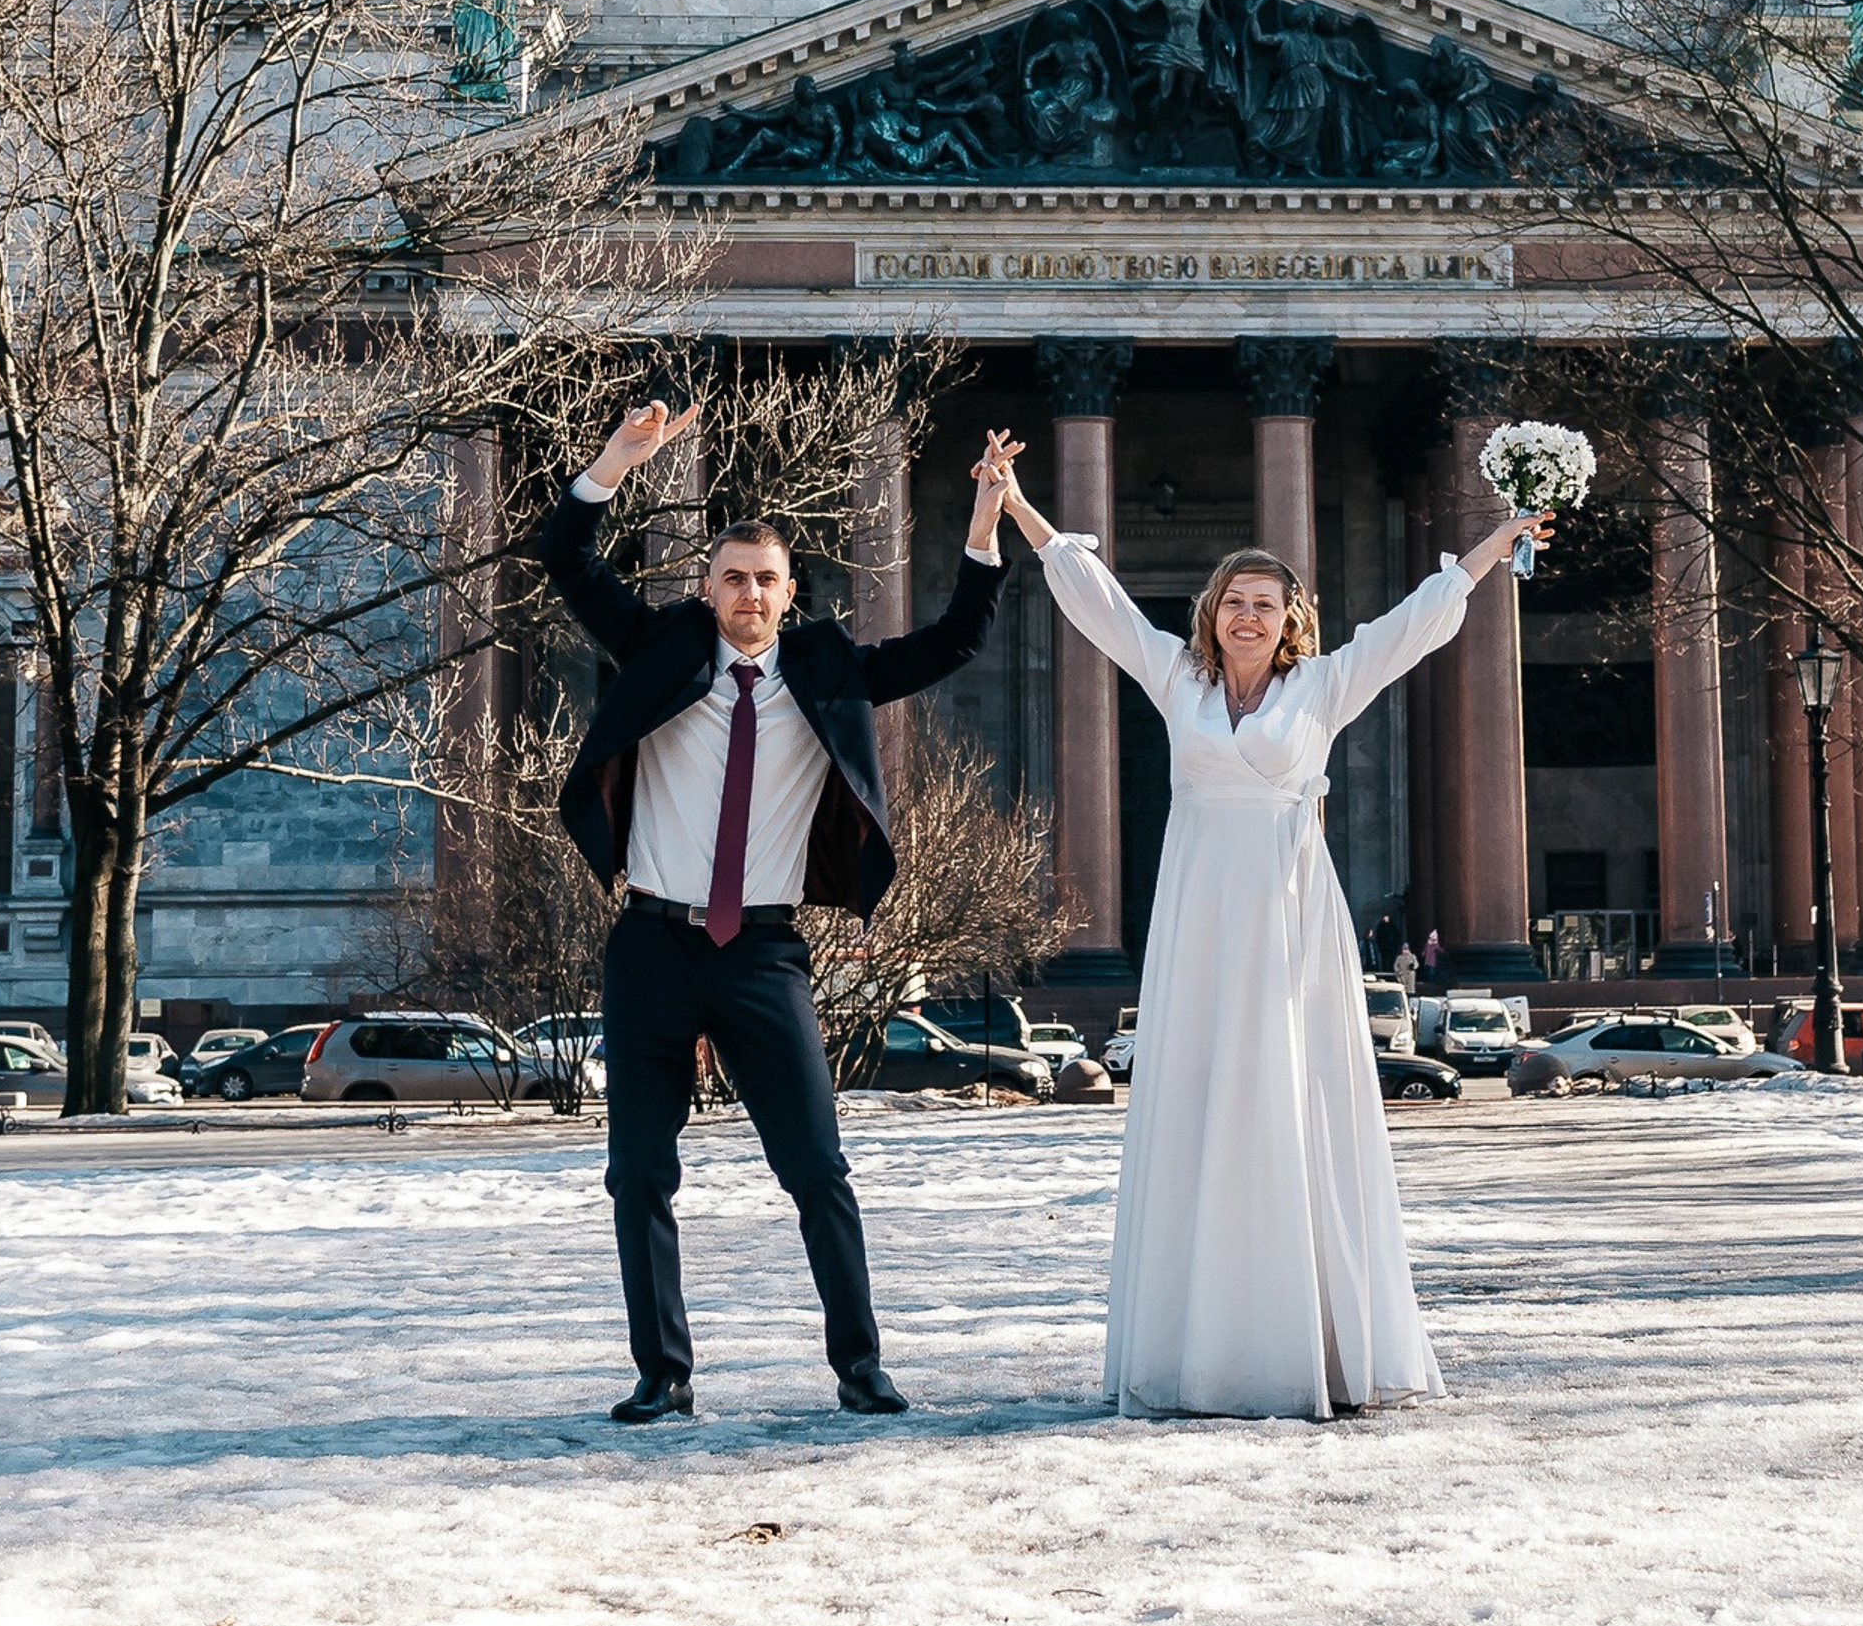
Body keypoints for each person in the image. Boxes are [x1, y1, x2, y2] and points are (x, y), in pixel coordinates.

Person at [973, 429, 1550, 1419]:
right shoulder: (1175, 680)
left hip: (1288, 919)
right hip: (1199, 917)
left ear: (1290, 622)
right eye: (1233, 602)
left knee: (1293, 1101)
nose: (1247, 616)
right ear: (1212, 616)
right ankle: (1194, 1350)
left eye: (1264, 604)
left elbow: (1414, 623)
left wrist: (1499, 537)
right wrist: (1018, 501)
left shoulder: (1321, 687)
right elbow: (1093, 595)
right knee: (1200, 1106)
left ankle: (1309, 1345)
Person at [538, 399, 1011, 1426]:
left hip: (763, 949)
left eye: (765, 580)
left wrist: (981, 530)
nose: (747, 594)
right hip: (652, 941)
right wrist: (615, 464)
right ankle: (662, 1372)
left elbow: (956, 642)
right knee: (638, 1176)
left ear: (790, 593)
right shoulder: (658, 645)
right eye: (731, 578)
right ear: (704, 589)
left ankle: (861, 1366)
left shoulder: (829, 671)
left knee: (818, 1169)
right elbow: (566, 556)